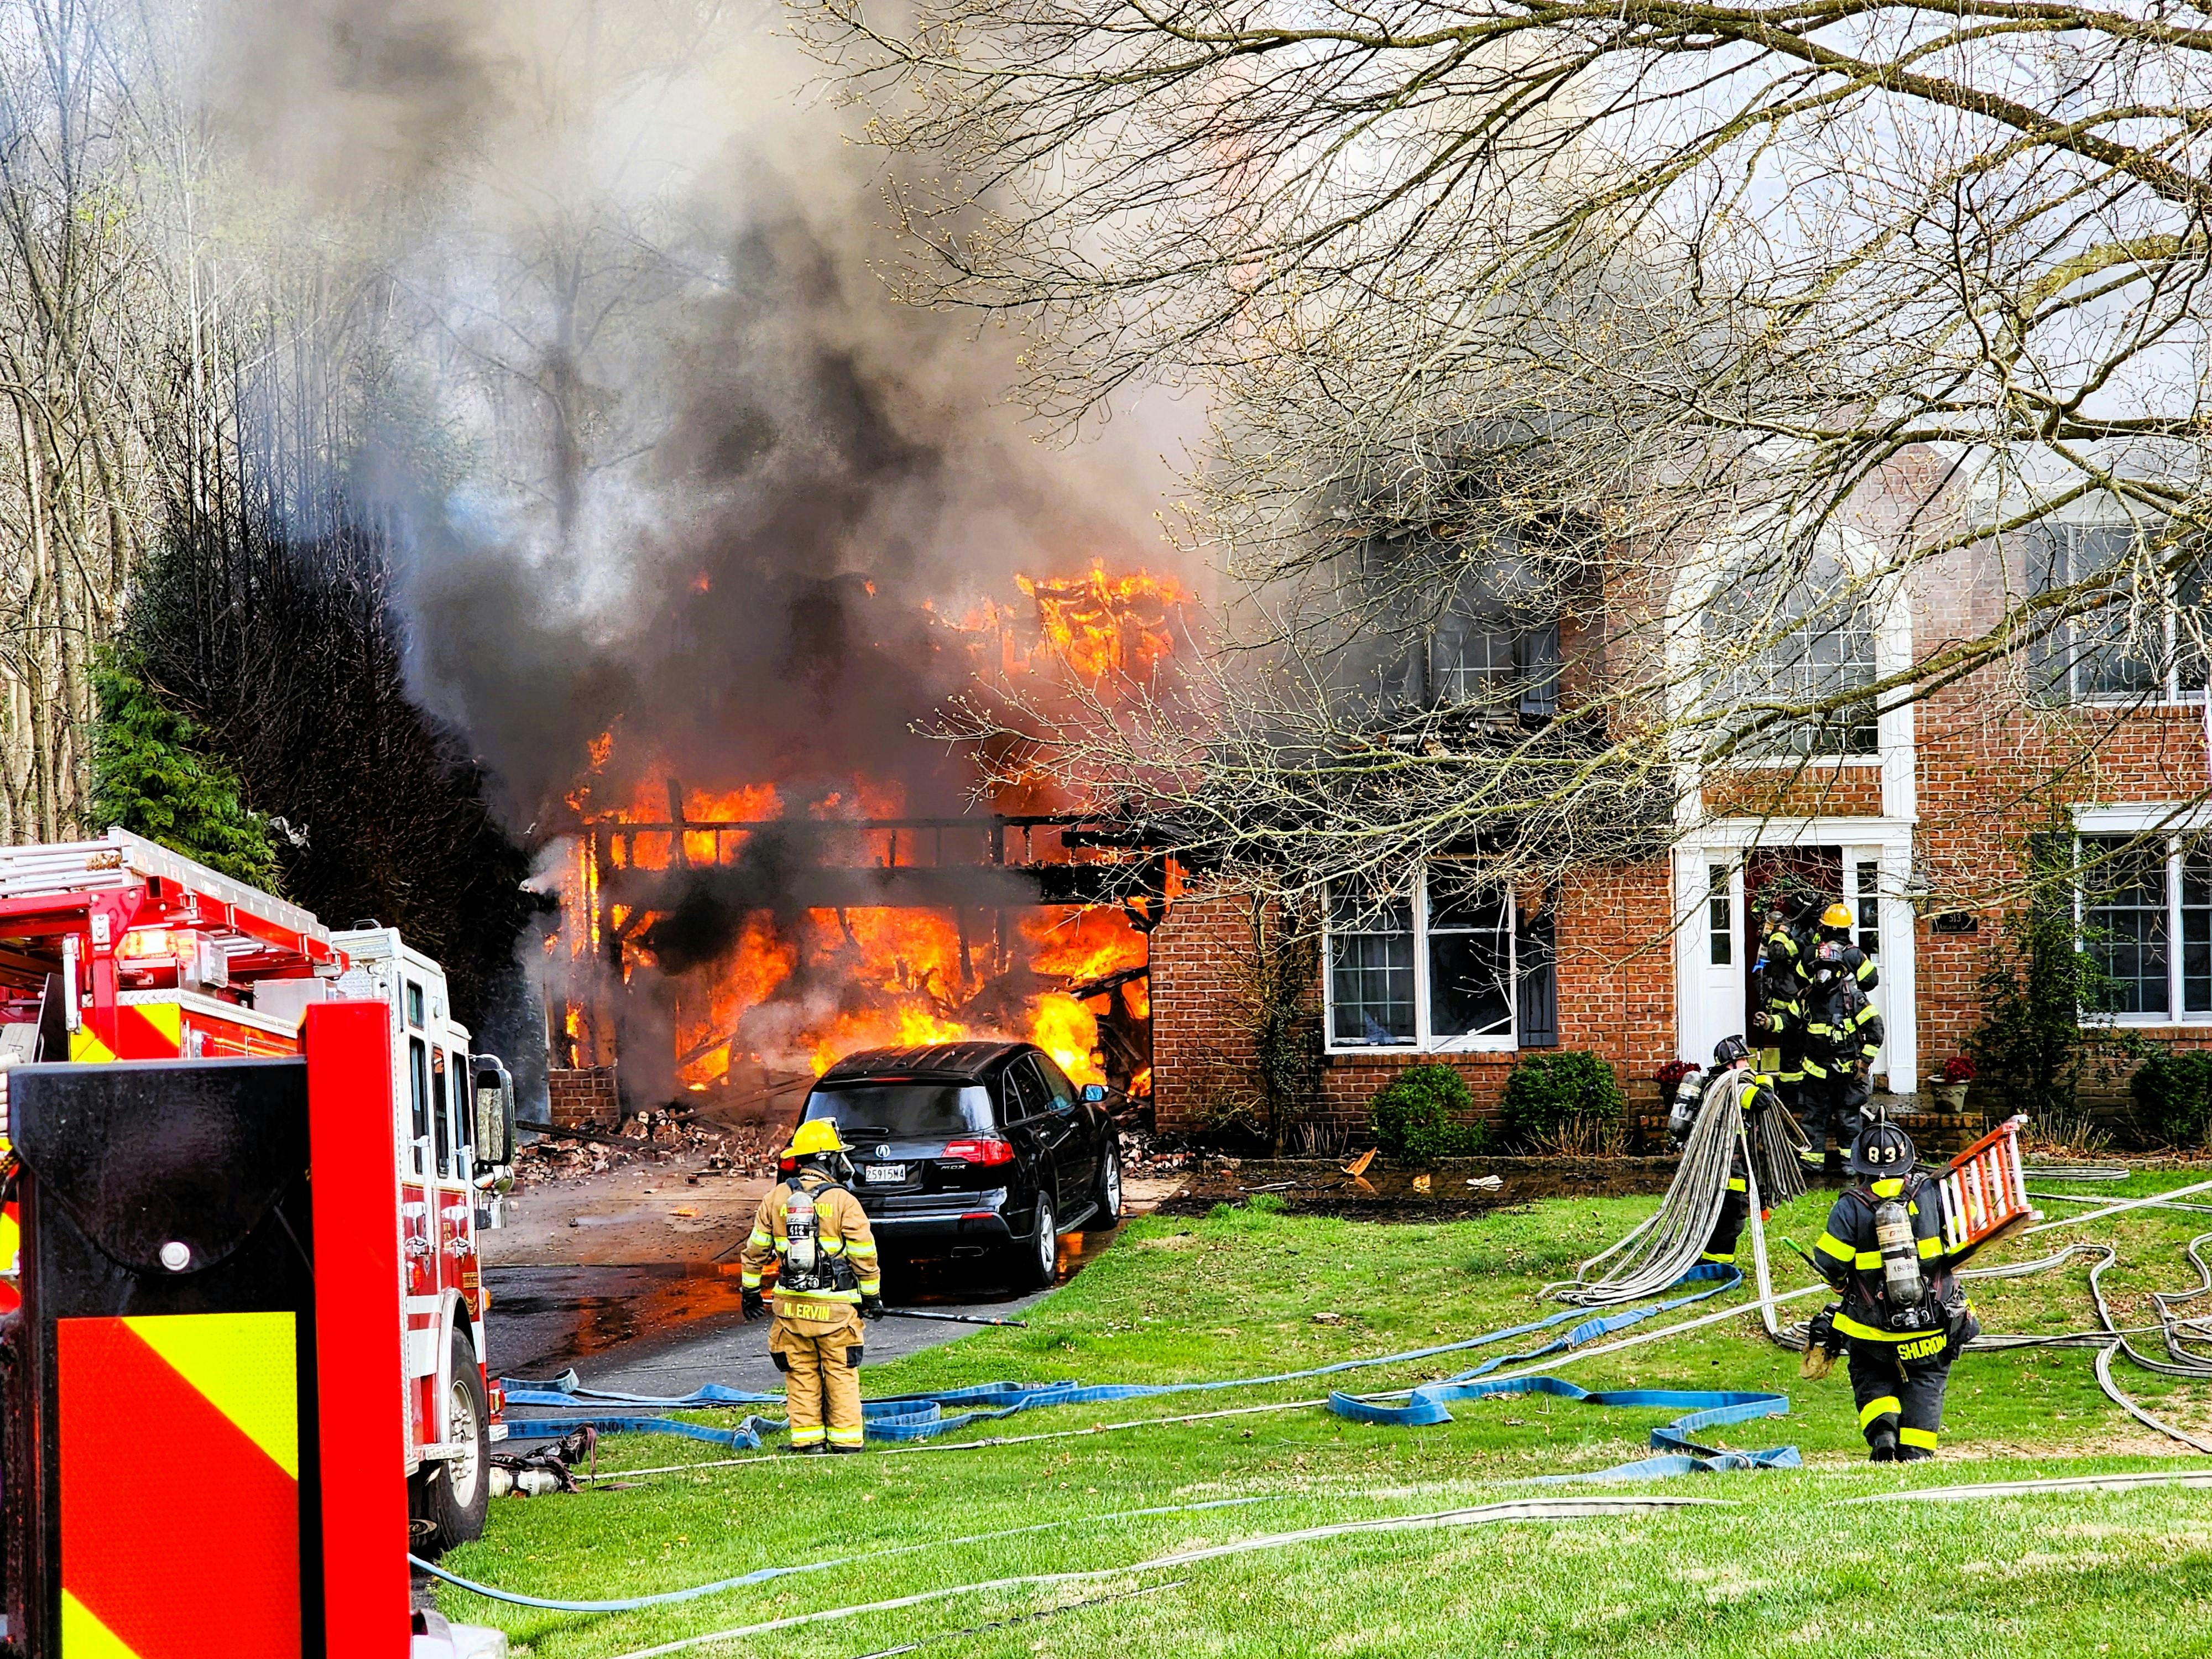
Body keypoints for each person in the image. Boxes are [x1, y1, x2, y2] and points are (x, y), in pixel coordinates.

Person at [1811, 1118, 1979, 1459]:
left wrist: (1840, 1282)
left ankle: (1883, 1432)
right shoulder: (1931, 1192)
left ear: (1861, 1163)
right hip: (1933, 1322)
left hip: (1871, 1330)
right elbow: (1969, 1228)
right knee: (1928, 1379)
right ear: (1907, 1160)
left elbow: (1829, 1262)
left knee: (1870, 1373)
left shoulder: (1850, 1205)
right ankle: (1916, 1449)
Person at [739, 1118, 885, 1452]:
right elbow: (865, 1256)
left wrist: (750, 1292)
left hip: (790, 1310)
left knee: (801, 1374)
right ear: (827, 1159)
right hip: (835, 1311)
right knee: (840, 1372)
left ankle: (808, 1443)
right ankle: (846, 1442)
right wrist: (871, 1297)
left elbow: (755, 1251)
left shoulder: (776, 1198)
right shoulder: (844, 1202)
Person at [1698, 1035, 1792, 1267]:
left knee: (1721, 1211)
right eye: (1743, 1060)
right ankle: (1718, 1262)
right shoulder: (1735, 1086)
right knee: (1731, 1213)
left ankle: (1712, 1257)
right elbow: (1762, 1100)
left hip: (1722, 1159)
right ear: (1730, 1064)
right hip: (1728, 1162)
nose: (1747, 1065)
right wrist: (1765, 1079)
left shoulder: (1717, 1082)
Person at [1799, 961, 1885, 1171]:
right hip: (1817, 1074)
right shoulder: (1807, 997)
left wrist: (1864, 1062)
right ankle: (1813, 1163)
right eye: (1819, 969)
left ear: (1838, 973)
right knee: (1814, 1118)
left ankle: (1851, 1162)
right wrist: (1770, 1022)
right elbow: (1789, 1020)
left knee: (1849, 1119)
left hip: (1848, 1075)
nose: (1822, 975)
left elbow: (1876, 1031)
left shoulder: (1854, 999)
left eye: (1826, 970)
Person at [1751, 894, 1812, 1112]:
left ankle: (1809, 1096)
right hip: (1787, 1001)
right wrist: (1803, 942)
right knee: (1792, 1053)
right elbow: (1776, 952)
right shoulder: (1784, 928)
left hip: (1812, 1002)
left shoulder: (1815, 929)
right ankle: (1790, 1098)